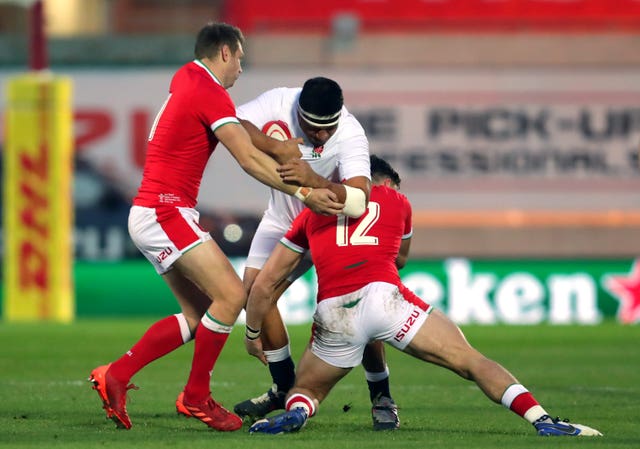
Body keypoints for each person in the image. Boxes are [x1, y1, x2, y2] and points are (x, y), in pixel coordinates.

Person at [87, 22, 343, 432]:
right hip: (164, 211)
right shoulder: (209, 91)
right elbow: (245, 157)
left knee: (201, 314)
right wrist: (307, 193)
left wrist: (277, 146)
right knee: (231, 295)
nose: (241, 67)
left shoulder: (190, 78)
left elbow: (241, 131)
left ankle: (115, 375)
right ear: (224, 52)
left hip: (156, 211)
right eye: (240, 57)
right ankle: (196, 396)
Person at [244, 155, 603, 437]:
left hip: (335, 310)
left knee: (306, 389)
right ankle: (543, 420)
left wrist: (253, 333)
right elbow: (399, 259)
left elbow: (266, 284)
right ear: (380, 181)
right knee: (471, 361)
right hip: (385, 299)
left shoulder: (311, 212)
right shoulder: (396, 201)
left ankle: (297, 413)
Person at [231, 78, 401, 430]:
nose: (322, 136)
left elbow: (358, 201)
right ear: (298, 113)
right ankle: (283, 387)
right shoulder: (279, 101)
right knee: (253, 295)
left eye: (329, 128)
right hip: (283, 219)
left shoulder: (351, 132)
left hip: (328, 226)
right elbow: (230, 122)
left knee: (358, 307)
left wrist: (314, 179)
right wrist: (273, 147)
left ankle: (381, 394)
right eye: (314, 128)